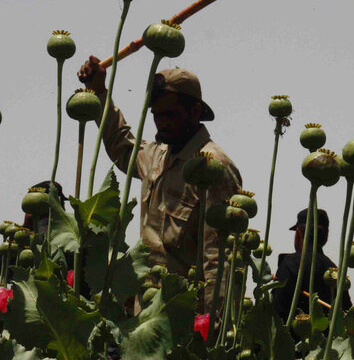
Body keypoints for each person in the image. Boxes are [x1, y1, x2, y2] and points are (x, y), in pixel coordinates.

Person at [77, 58, 241, 311]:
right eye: (156, 115)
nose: (161, 123)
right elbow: (120, 142)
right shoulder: (156, 156)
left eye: (171, 115)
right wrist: (99, 92)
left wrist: (211, 327)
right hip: (146, 313)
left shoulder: (213, 168)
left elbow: (219, 261)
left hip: (186, 317)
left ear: (195, 112)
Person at [271, 208, 352, 320]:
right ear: (326, 236)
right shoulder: (335, 271)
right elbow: (347, 315)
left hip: (292, 336)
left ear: (299, 232)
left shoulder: (290, 264)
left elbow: (276, 313)